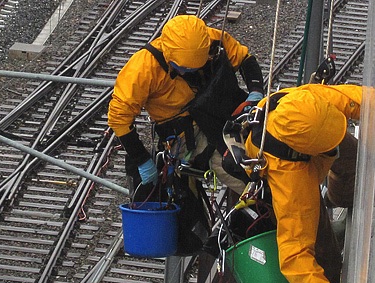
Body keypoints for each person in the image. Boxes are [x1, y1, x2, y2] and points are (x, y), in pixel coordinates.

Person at [231, 83, 362, 283]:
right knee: (321, 252)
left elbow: (351, 98)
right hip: (293, 165)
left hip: (316, 133)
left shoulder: (310, 102)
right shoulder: (291, 183)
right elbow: (295, 256)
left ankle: (338, 196)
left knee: (352, 157)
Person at [107, 15, 265, 199]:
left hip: (224, 113)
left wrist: (256, 93)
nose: (185, 73)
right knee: (227, 164)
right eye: (181, 69)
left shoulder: (212, 40)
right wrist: (142, 159)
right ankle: (261, 200)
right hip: (187, 131)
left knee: (264, 145)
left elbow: (244, 58)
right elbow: (119, 117)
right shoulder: (143, 69)